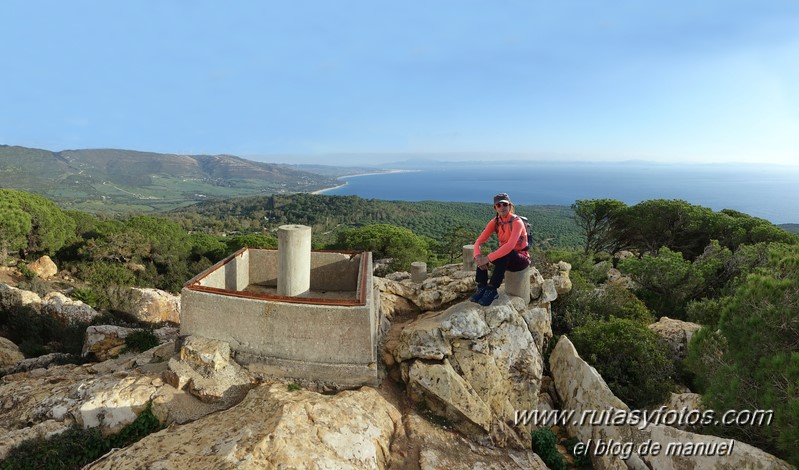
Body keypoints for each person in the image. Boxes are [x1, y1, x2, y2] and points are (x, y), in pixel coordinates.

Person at [471, 193, 531, 306]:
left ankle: (492, 289)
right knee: (484, 256)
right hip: (506, 258)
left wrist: (487, 259)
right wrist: (478, 256)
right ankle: (482, 286)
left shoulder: (516, 222)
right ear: (495, 208)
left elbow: (509, 246)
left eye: (505, 204)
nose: (502, 207)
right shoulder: (495, 222)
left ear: (510, 206)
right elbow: (478, 241)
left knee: (504, 253)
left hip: (521, 259)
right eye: (499, 205)